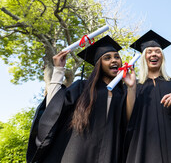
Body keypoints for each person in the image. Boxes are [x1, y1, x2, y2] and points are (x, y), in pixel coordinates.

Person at [27, 35, 136, 163]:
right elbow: (54, 108)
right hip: (77, 152)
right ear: (98, 64)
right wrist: (58, 70)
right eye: (107, 58)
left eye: (117, 57)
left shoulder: (122, 93)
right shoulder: (82, 87)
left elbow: (129, 120)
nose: (114, 60)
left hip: (109, 153)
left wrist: (131, 87)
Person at [124, 30, 171, 163]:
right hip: (145, 148)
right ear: (143, 57)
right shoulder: (134, 85)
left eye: (157, 51)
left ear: (162, 57)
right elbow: (128, 118)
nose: (154, 54)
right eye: (149, 52)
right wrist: (131, 88)